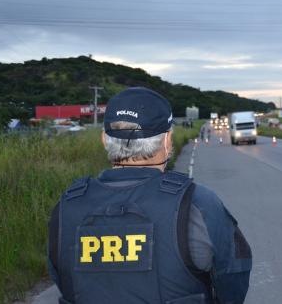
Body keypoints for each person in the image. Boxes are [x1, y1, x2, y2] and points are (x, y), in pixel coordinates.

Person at [47, 87, 252, 304]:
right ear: (167, 140)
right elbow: (234, 275)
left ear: (104, 140)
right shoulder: (197, 204)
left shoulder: (66, 208)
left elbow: (63, 280)